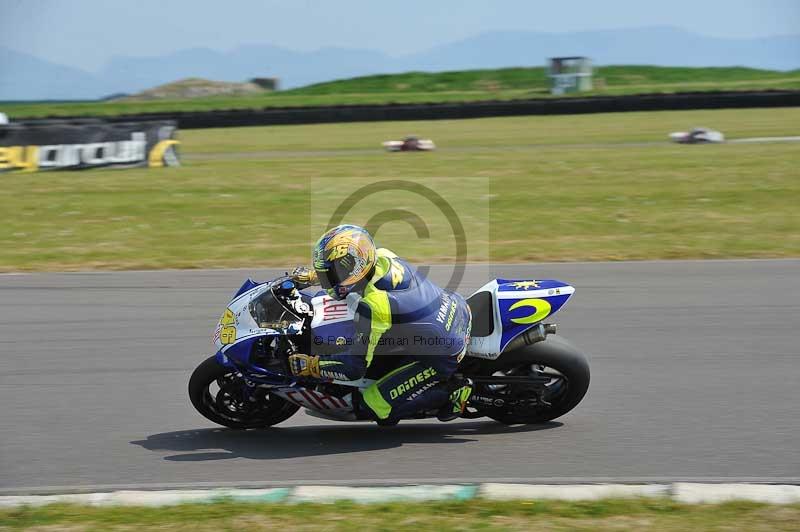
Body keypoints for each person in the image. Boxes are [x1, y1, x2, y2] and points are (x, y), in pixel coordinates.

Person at [288, 224, 472, 423]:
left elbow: (353, 368)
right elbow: (348, 277)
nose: (329, 277)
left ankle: (452, 392)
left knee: (373, 406)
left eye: (332, 272)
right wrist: (316, 277)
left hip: (442, 351)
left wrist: (312, 366)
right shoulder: (383, 256)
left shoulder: (375, 306)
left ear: (356, 268)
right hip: (454, 307)